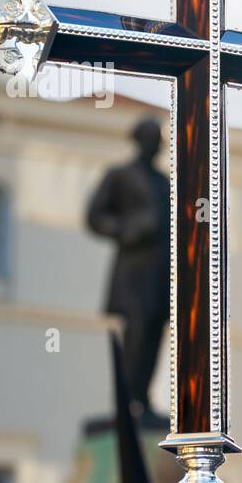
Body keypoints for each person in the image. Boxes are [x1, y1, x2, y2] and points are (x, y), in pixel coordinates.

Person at [86, 118, 170, 419]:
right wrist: (128, 229)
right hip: (133, 272)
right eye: (151, 139)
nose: (156, 146)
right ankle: (127, 401)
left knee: (153, 335)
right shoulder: (119, 176)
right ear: (139, 141)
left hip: (160, 273)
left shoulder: (164, 182)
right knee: (135, 334)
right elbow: (95, 216)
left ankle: (143, 398)